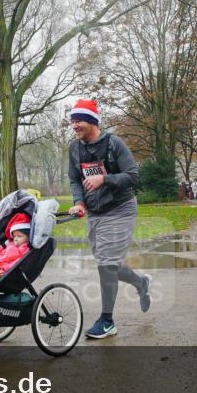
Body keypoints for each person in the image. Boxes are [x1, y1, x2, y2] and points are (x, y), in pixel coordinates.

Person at [66, 99, 151, 339]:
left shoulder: (114, 144)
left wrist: (105, 179)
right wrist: (78, 202)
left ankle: (107, 320)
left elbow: (133, 175)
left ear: (92, 121)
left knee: (106, 263)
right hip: (95, 212)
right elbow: (74, 178)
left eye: (78, 120)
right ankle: (140, 282)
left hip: (120, 208)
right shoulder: (75, 149)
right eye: (72, 121)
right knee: (109, 264)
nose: (74, 126)